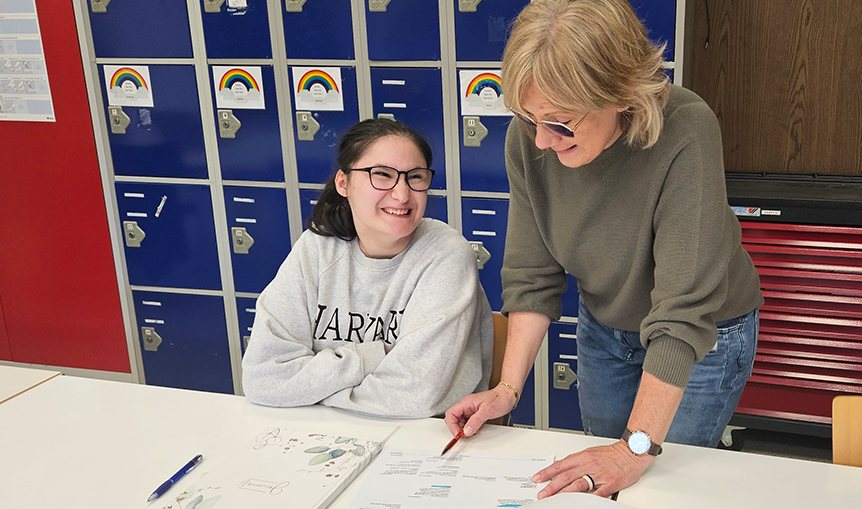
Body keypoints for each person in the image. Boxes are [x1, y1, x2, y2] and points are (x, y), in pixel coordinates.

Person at [445, 0, 763, 498]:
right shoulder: (529, 138)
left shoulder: (686, 127)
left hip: (702, 335)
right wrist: (506, 391)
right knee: (599, 482)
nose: (543, 141)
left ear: (621, 94)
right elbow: (532, 276)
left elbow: (683, 312)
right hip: (606, 326)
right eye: (529, 117)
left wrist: (634, 449)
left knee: (659, 482)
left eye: (560, 121)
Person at [242, 118, 494, 418]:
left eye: (415, 177)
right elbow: (262, 378)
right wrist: (372, 356)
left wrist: (310, 389)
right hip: (324, 432)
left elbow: (415, 397)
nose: (402, 195)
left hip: (425, 439)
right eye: (382, 175)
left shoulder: (445, 254)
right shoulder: (316, 248)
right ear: (343, 183)